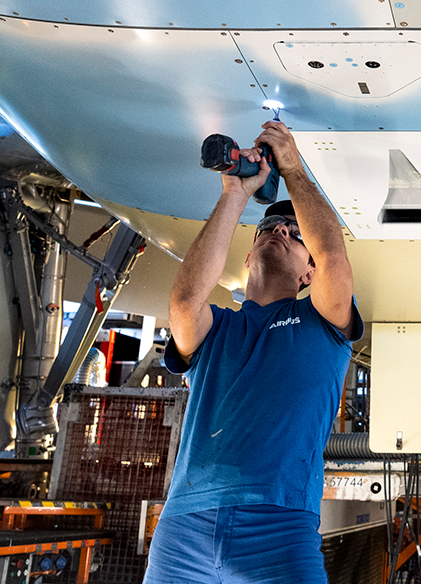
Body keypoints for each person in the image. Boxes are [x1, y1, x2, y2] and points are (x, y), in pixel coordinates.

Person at [145, 121, 362, 584]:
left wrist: (294, 170)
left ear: (309, 272)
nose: (280, 229)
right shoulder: (216, 328)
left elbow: (336, 260)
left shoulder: (322, 324)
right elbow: (184, 303)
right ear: (247, 257)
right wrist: (234, 195)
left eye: (293, 232)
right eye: (269, 226)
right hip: (185, 527)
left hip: (279, 527)